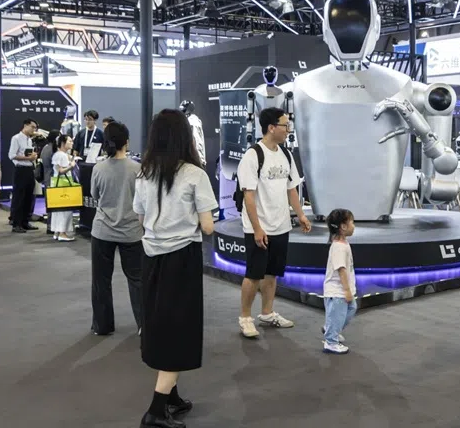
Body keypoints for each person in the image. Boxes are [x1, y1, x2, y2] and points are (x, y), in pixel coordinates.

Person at [132, 109, 217, 428]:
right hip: (182, 259)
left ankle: (172, 398)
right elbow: (208, 227)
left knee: (161, 325)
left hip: (151, 257)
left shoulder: (144, 173)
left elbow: (140, 219)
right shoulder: (195, 174)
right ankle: (155, 411)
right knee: (179, 330)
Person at [236, 106, 312, 339]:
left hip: (281, 225)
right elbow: (249, 196)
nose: (288, 129)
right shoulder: (252, 156)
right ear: (271, 128)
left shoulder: (286, 155)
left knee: (272, 273)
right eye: (284, 125)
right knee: (254, 274)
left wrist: (300, 214)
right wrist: (257, 228)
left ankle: (267, 313)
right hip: (258, 227)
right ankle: (245, 318)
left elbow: (291, 189)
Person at [90, 122, 143, 336]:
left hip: (102, 230)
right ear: (127, 142)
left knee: (101, 280)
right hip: (132, 232)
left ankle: (102, 326)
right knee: (138, 280)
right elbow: (143, 201)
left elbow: (94, 196)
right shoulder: (138, 169)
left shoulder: (98, 168)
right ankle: (144, 325)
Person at [322, 208, 357, 355]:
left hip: (341, 291)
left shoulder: (343, 243)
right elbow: (341, 269)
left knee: (350, 309)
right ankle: (331, 341)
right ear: (343, 226)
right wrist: (347, 290)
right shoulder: (338, 247)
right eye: (352, 222)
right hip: (337, 291)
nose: (354, 225)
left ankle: (331, 328)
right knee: (339, 313)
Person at [9, 118, 39, 233]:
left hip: (29, 169)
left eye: (35, 128)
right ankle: (16, 224)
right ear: (25, 125)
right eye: (32, 127)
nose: (34, 130)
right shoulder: (16, 138)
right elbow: (11, 155)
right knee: (19, 197)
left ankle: (25, 222)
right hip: (20, 170)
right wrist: (28, 158)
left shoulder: (29, 140)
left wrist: (32, 157)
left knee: (29, 197)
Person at [50, 135, 77, 242]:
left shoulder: (59, 154)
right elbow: (61, 171)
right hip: (63, 185)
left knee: (58, 209)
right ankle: (62, 233)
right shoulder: (61, 155)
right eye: (70, 141)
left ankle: (57, 232)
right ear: (63, 143)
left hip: (58, 185)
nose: (72, 143)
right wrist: (72, 165)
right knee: (65, 210)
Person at [39, 129, 60, 234]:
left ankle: (50, 225)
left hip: (47, 178)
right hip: (53, 178)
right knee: (55, 203)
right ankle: (53, 226)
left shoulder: (45, 148)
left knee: (49, 203)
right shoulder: (54, 150)